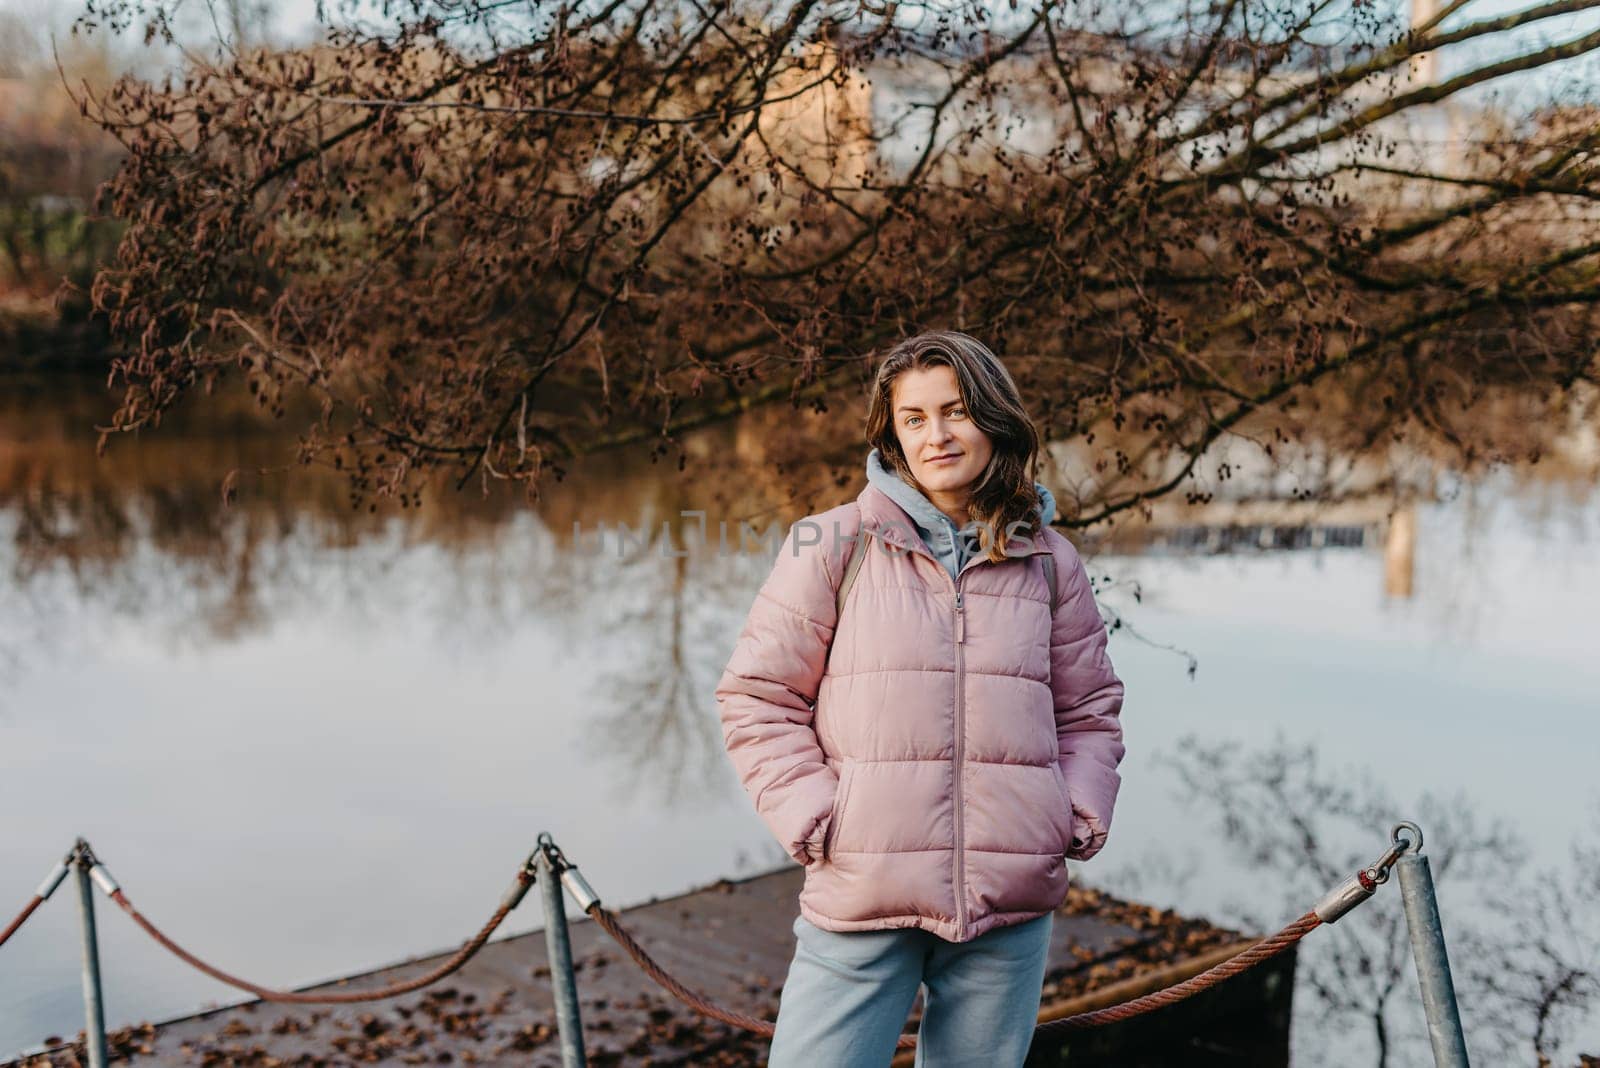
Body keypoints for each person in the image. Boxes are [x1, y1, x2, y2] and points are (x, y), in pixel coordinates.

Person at [715, 329, 1126, 1067]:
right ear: (892, 433)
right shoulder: (833, 544)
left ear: (994, 417)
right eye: (914, 418)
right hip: (865, 889)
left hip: (1009, 905)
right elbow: (757, 696)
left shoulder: (1051, 562)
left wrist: (1077, 805)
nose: (936, 435)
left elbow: (1089, 711)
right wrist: (814, 813)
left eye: (955, 410)